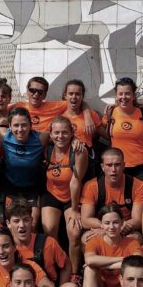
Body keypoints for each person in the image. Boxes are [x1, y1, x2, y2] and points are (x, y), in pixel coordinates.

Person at [40, 116, 88, 273]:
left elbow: (75, 181)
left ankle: (74, 273)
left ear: (72, 133)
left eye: (65, 133)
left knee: (74, 233)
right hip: (51, 193)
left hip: (72, 196)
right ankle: (57, 268)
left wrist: (74, 210)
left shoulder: (79, 151)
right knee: (49, 230)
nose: (60, 136)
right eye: (57, 133)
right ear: (51, 134)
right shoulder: (47, 149)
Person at [82, 205, 143, 287]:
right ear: (101, 224)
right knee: (89, 270)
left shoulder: (131, 242)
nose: (111, 227)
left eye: (115, 222)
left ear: (122, 223)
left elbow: (138, 261)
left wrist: (104, 265)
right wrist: (122, 259)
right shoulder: (94, 242)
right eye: (107, 223)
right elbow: (90, 260)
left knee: (133, 271)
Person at [79, 148, 143, 241]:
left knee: (136, 238)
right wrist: (108, 228)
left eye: (117, 165)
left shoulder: (138, 186)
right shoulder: (91, 186)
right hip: (101, 228)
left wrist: (116, 228)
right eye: (109, 165)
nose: (113, 169)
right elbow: (85, 220)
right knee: (86, 239)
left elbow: (137, 220)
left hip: (126, 229)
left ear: (123, 165)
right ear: (102, 167)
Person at [99, 77, 143, 182]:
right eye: (120, 94)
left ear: (133, 96)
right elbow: (101, 129)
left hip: (141, 165)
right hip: (117, 167)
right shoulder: (110, 113)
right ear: (116, 96)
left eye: (127, 94)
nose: (123, 97)